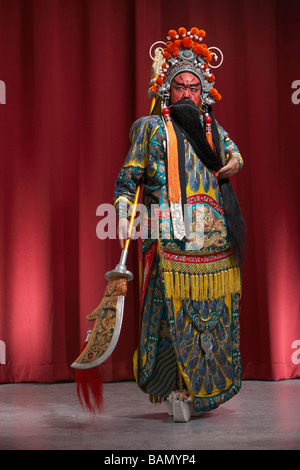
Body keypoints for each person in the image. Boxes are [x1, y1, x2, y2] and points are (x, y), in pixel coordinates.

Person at [113, 27, 245, 422]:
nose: (187, 93)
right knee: (171, 319)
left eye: (194, 87)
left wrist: (234, 163)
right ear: (165, 91)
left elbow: (235, 156)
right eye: (179, 86)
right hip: (170, 239)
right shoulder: (149, 128)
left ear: (203, 93)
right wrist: (122, 211)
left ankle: (204, 389)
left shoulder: (212, 129)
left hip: (215, 243)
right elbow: (127, 179)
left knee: (214, 315)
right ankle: (174, 388)